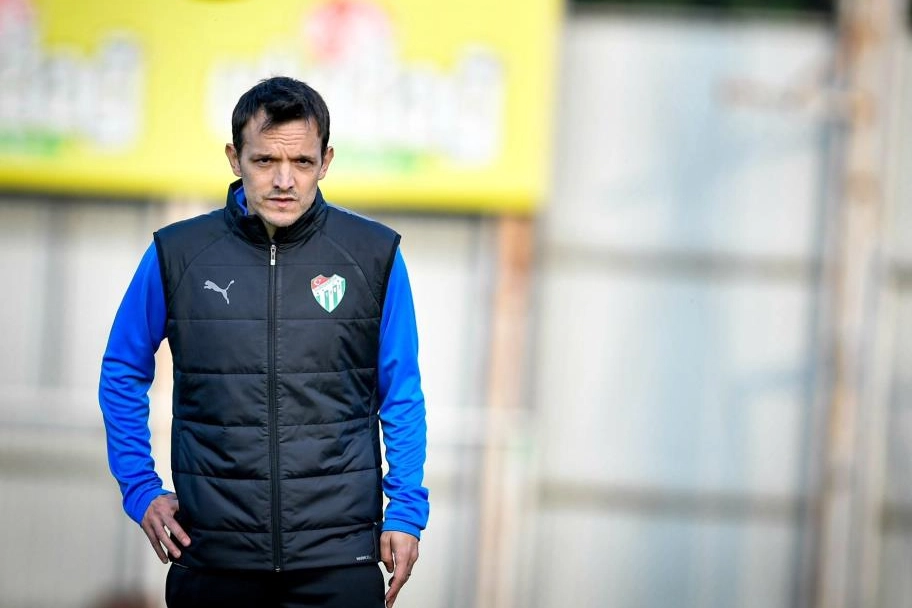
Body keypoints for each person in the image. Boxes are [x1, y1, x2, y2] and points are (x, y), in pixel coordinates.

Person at [99, 76, 429, 608]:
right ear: (234, 158)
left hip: (339, 560)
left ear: (326, 162)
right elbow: (122, 369)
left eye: (302, 162)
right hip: (213, 557)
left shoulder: (374, 257)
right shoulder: (177, 255)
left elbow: (402, 392)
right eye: (264, 160)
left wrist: (407, 512)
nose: (284, 180)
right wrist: (140, 488)